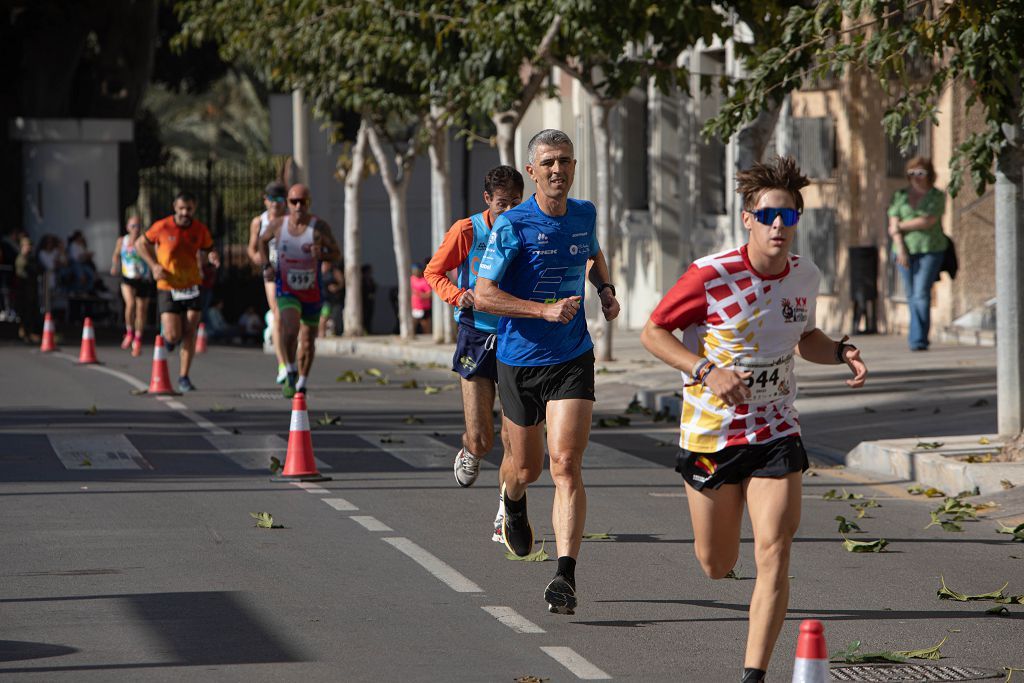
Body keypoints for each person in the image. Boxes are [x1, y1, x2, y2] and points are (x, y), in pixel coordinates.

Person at [640, 156, 868, 683]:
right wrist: (704, 369)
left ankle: (754, 675)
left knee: (774, 549)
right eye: (767, 216)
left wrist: (841, 351)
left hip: (775, 430)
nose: (777, 227)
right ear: (748, 218)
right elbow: (653, 333)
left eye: (787, 218)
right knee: (716, 564)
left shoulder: (805, 275)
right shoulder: (711, 275)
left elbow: (804, 336)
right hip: (710, 435)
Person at [476, 130, 620, 615]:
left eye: (565, 161)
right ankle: (512, 500)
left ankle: (565, 575)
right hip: (519, 360)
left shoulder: (584, 214)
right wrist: (541, 311)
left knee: (566, 465)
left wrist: (605, 289)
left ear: (573, 167)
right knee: (527, 468)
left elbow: (593, 253)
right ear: (532, 172)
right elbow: (483, 294)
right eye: (548, 163)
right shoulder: (512, 225)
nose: (558, 170)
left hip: (572, 355)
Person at [424, 164, 524, 542]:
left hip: (517, 335)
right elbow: (434, 272)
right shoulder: (467, 230)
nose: (508, 211)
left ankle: (505, 514)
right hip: (476, 334)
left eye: (515, 202)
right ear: (487, 200)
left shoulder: (526, 226)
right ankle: (470, 450)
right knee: (483, 438)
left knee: (515, 438)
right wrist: (457, 294)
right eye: (502, 204)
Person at [259, 183, 340, 398]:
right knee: (290, 329)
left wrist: (321, 253)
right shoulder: (278, 225)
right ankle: (291, 369)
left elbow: (336, 253)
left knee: (307, 340)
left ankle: (302, 381)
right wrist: (266, 265)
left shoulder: (319, 227)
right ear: (288, 203)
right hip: (286, 289)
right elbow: (261, 241)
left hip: (312, 291)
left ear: (309, 203)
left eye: (302, 202)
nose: (298, 206)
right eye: (294, 201)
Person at [137, 192, 221, 393]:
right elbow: (140, 244)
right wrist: (153, 265)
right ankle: (170, 339)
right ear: (175, 206)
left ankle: (184, 376)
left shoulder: (199, 229)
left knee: (191, 330)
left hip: (191, 285)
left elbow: (209, 248)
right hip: (168, 285)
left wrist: (213, 257)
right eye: (181, 208)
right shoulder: (162, 226)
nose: (185, 213)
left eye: (189, 209)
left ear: (194, 208)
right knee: (174, 334)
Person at [888, 156, 948, 351]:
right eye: (912, 173)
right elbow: (892, 225)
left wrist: (900, 225)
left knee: (921, 292)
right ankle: (917, 337)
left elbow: (928, 221)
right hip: (903, 250)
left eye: (920, 173)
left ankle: (918, 339)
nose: (916, 177)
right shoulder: (900, 196)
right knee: (911, 293)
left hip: (930, 250)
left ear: (929, 174)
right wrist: (901, 247)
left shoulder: (936, 196)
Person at [247, 181, 290, 382]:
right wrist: (257, 257)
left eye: (280, 200)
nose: (276, 204)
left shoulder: (292, 219)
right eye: (272, 199)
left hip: (291, 271)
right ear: (265, 200)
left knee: (292, 320)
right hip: (271, 271)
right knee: (279, 312)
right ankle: (282, 365)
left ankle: (272, 322)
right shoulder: (259, 222)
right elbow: (251, 248)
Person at [109, 216, 154, 356]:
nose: (136, 229)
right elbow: (116, 254)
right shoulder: (122, 241)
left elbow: (154, 256)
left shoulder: (144, 241)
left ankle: (138, 338)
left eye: (138, 226)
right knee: (130, 304)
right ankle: (129, 331)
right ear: (128, 227)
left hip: (143, 278)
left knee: (141, 310)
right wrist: (114, 266)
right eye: (133, 226)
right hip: (127, 277)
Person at [14, 235, 41, 343]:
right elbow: (21, 274)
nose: (29, 248)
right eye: (27, 246)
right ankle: (24, 333)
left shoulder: (31, 258)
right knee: (24, 313)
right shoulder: (21, 259)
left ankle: (29, 333)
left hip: (31, 290)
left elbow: (38, 269)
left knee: (31, 312)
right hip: (23, 291)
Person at [410, 262, 432, 335]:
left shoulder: (424, 281)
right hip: (413, 307)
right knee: (412, 325)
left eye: (417, 270)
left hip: (424, 308)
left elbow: (429, 294)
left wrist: (419, 294)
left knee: (425, 327)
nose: (415, 271)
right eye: (414, 270)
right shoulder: (411, 279)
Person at [361, 263, 376, 333]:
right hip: (363, 301)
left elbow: (374, 288)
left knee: (369, 316)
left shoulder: (371, 280)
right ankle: (364, 330)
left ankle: (368, 329)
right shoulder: (361, 280)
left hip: (370, 301)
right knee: (364, 316)